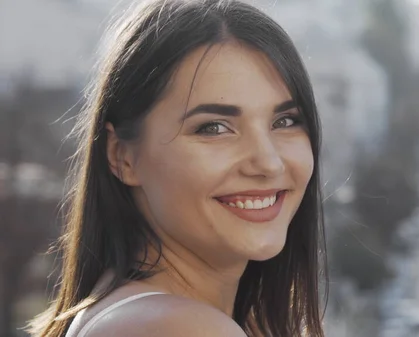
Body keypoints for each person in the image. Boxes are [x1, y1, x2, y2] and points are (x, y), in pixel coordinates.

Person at [27, 0, 328, 336]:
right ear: (122, 155)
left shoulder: (132, 315)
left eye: (285, 121)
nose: (269, 163)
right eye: (213, 127)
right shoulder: (180, 327)